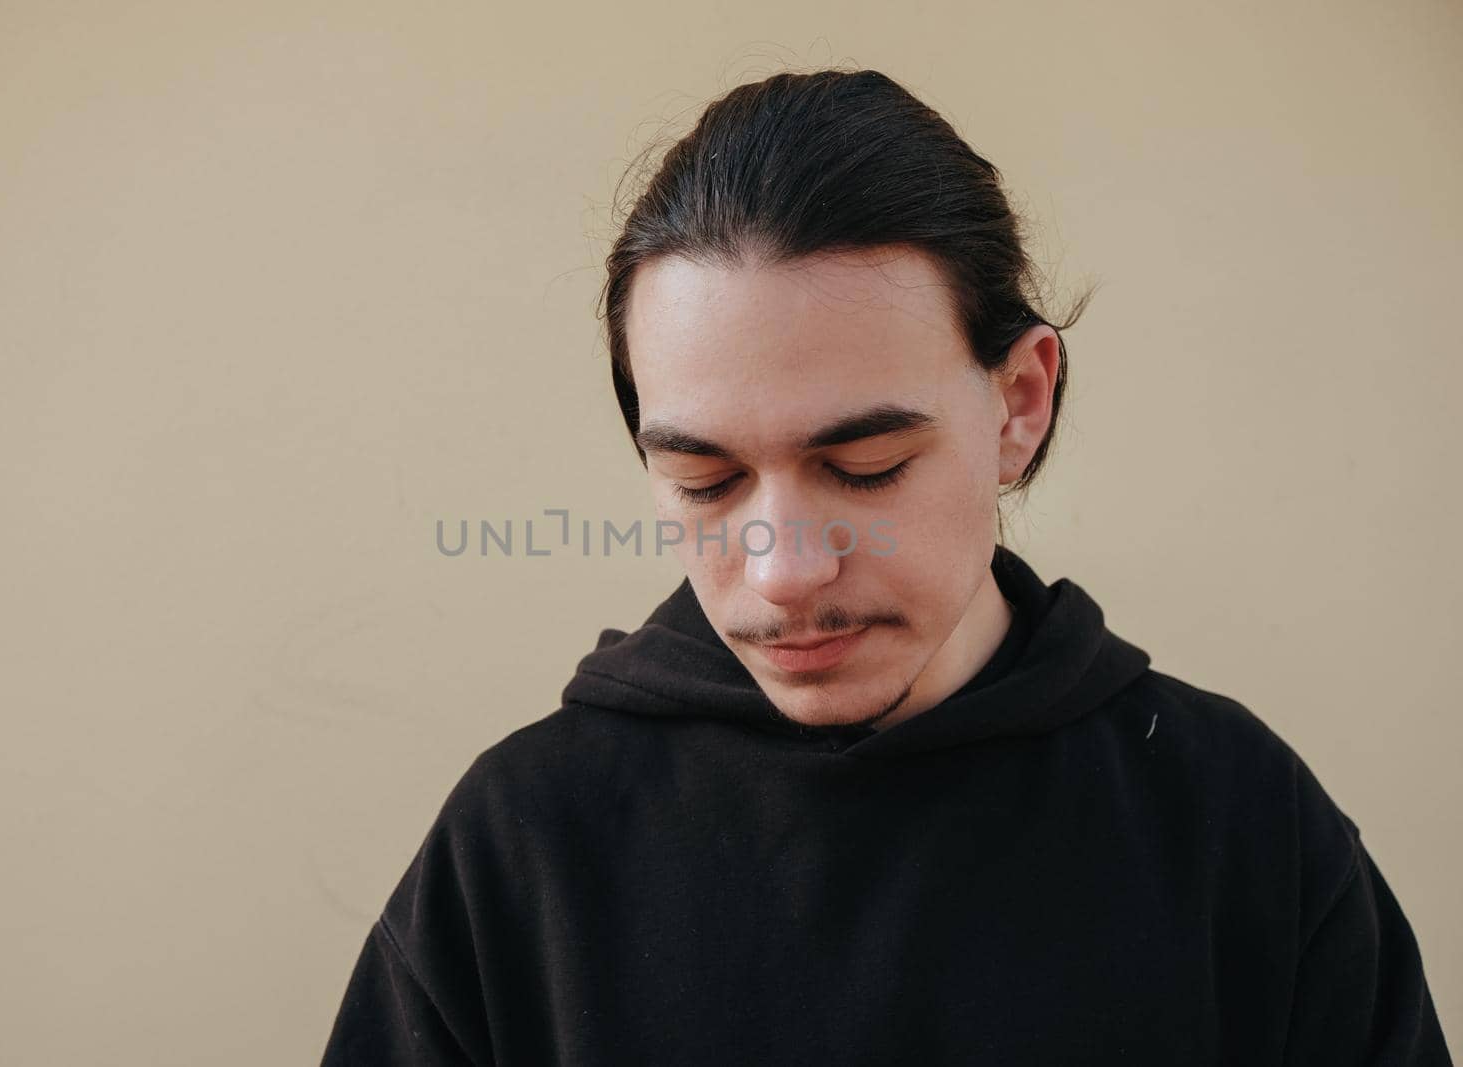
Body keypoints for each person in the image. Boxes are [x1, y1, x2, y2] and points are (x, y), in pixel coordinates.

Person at [320, 68, 1451, 1064]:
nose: (783, 573)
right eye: (705, 480)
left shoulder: (1235, 825)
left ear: (1019, 402)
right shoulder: (520, 849)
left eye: (863, 466)